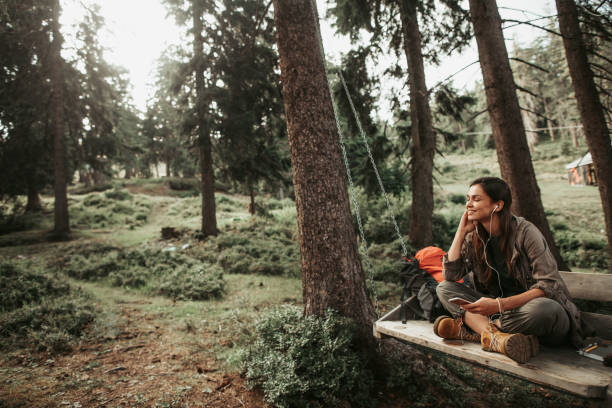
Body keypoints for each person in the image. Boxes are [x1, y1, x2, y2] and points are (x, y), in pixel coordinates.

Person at [433, 176, 584, 363]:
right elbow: (451, 275)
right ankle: (497, 338)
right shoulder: (474, 237)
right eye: (468, 198)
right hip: (500, 313)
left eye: (476, 199)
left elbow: (549, 286)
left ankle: (478, 332)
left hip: (538, 317)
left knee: (544, 308)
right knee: (444, 288)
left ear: (498, 205)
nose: (468, 205)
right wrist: (461, 232)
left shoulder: (526, 233)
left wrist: (499, 305)